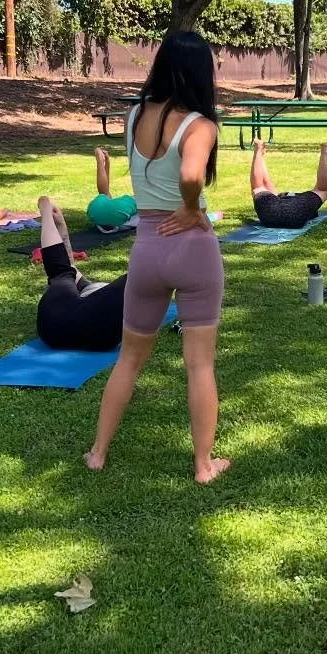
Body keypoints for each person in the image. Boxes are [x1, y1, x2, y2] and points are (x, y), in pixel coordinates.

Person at [87, 31, 228, 484]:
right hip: (192, 246)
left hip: (147, 247)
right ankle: (203, 465)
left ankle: (98, 453)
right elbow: (190, 174)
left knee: (129, 358)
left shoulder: (133, 116)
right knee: (199, 364)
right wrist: (190, 207)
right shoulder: (201, 125)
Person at [35, 196, 127, 352]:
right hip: (99, 338)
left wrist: (51, 217)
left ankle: (45, 211)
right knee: (63, 273)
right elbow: (68, 268)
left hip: (56, 326)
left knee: (61, 272)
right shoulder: (91, 295)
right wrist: (61, 226)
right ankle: (46, 212)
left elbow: (65, 269)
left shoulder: (85, 297)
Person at [250, 138, 327, 228]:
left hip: (273, 215)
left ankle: (258, 149)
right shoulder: (299, 201)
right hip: (295, 213)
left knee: (259, 187)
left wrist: (260, 154)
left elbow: (266, 186)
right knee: (322, 190)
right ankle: (325, 149)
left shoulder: (273, 200)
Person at [87, 148, 139, 233]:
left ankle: (100, 162)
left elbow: (105, 192)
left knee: (105, 195)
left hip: (95, 210)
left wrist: (107, 163)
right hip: (96, 214)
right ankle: (101, 162)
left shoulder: (119, 209)